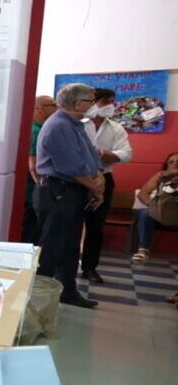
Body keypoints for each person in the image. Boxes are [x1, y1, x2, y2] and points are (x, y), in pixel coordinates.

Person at [35, 83, 103, 309]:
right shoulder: (59, 126)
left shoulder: (76, 124)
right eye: (91, 101)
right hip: (58, 191)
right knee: (52, 246)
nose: (94, 105)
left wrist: (98, 176)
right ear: (78, 103)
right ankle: (37, 299)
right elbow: (70, 167)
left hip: (73, 190)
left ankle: (67, 290)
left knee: (71, 246)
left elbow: (91, 156)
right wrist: (94, 187)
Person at [81, 88, 133, 283]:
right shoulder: (79, 123)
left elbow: (127, 154)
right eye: (106, 102)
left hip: (105, 178)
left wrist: (104, 154)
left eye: (112, 102)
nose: (110, 106)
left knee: (96, 227)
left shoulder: (116, 128)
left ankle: (89, 268)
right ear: (93, 102)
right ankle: (66, 266)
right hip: (77, 179)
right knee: (71, 224)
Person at [23, 95, 57, 245]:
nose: (56, 108)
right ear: (39, 108)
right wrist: (41, 186)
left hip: (36, 187)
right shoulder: (36, 131)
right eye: (53, 105)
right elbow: (33, 164)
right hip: (35, 187)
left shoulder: (43, 128)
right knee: (31, 230)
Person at [132, 151, 178, 263]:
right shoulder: (160, 177)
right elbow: (142, 194)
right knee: (145, 213)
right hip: (161, 213)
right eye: (171, 162)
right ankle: (142, 250)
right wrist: (154, 206)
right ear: (166, 165)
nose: (175, 164)